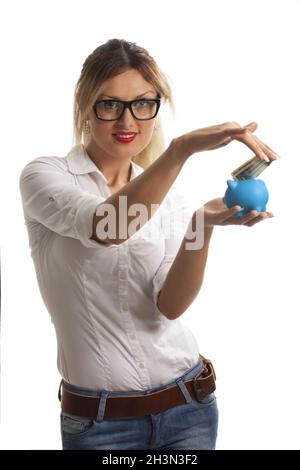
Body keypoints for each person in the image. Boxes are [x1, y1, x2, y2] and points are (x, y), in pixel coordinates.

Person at [19, 38, 277, 450]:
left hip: (188, 408)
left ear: (157, 108)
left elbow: (169, 306)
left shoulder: (170, 202)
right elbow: (108, 225)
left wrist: (202, 224)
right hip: (100, 425)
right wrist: (182, 149)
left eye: (143, 104)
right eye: (110, 105)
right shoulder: (46, 176)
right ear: (87, 108)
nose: (128, 121)